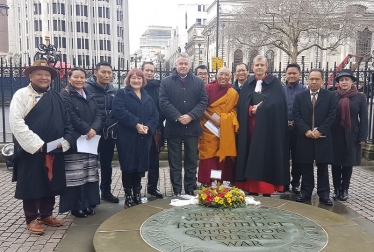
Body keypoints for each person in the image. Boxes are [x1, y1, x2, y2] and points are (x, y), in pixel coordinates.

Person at [9, 59, 73, 235]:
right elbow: (16, 123)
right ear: (30, 75)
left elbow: (67, 121)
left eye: (47, 75)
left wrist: (66, 140)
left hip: (54, 147)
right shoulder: (21, 95)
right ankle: (31, 219)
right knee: (32, 183)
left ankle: (46, 214)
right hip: (33, 149)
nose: (44, 77)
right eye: (39, 74)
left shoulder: (57, 97)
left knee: (51, 181)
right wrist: (35, 144)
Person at [235, 55, 289, 196]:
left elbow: (277, 105)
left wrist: (261, 109)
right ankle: (251, 186)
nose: (259, 67)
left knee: (265, 155)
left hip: (267, 129)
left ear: (266, 67)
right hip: (250, 128)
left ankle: (266, 189)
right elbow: (242, 104)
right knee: (249, 154)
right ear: (252, 67)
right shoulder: (248, 83)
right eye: (256, 65)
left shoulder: (275, 83)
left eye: (261, 65)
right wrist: (249, 109)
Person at [159, 53, 208, 196]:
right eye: (180, 63)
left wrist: (191, 116)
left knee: (191, 161)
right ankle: (176, 190)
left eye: (186, 64)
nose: (183, 66)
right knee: (174, 162)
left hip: (192, 128)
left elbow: (203, 101)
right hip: (174, 127)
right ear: (176, 65)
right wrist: (177, 116)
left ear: (190, 65)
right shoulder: (166, 82)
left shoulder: (198, 82)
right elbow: (163, 102)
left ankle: (190, 188)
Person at [112, 68, 159, 208]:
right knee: (128, 167)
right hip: (127, 137)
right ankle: (128, 197)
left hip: (144, 138)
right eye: (133, 78)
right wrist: (136, 124)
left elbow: (155, 115)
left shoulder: (147, 96)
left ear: (143, 80)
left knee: (139, 167)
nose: (136, 80)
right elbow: (119, 111)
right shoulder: (122, 93)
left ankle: (137, 194)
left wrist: (149, 127)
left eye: (139, 78)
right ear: (128, 79)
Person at [59, 67, 102, 218]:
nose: (79, 80)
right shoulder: (65, 95)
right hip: (76, 139)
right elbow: (70, 116)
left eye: (82, 77)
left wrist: (95, 129)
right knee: (76, 175)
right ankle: (76, 206)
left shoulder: (89, 94)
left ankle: (87, 203)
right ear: (69, 78)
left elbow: (98, 113)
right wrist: (87, 129)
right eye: (75, 77)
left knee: (89, 173)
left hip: (90, 140)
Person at [293, 69, 337, 206]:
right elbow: (296, 115)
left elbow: (332, 115)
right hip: (305, 137)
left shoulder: (330, 96)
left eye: (317, 79)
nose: (313, 81)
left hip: (322, 137)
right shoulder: (300, 96)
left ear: (322, 81)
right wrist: (305, 130)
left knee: (322, 167)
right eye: (311, 79)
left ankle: (324, 194)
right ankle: (305, 192)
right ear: (307, 80)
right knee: (305, 166)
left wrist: (320, 130)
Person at [198, 67, 239, 186]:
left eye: (226, 75)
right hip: (208, 128)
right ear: (216, 75)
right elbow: (201, 107)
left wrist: (225, 119)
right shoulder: (207, 88)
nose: (223, 77)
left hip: (223, 130)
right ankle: (206, 182)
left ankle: (217, 180)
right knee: (207, 156)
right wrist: (212, 120)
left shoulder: (233, 93)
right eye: (221, 74)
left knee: (219, 158)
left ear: (230, 77)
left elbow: (235, 110)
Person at [331, 69, 368, 201]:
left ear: (352, 81)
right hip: (336, 133)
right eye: (341, 80)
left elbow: (363, 118)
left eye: (346, 79)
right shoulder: (334, 96)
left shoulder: (360, 97)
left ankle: (345, 189)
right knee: (335, 163)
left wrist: (363, 136)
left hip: (352, 133)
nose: (344, 82)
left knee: (348, 163)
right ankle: (336, 189)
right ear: (338, 83)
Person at [85, 62, 119, 203]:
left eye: (109, 73)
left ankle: (106, 191)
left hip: (108, 133)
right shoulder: (87, 89)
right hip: (91, 133)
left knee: (106, 164)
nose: (107, 75)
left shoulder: (114, 89)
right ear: (95, 72)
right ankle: (90, 196)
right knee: (90, 165)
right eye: (103, 72)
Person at [282, 63, 307, 194]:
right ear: (286, 75)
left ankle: (295, 183)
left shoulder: (304, 91)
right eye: (289, 73)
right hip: (283, 129)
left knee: (297, 159)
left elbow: (306, 111)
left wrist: (296, 123)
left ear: (299, 75)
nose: (291, 76)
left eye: (294, 73)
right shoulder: (281, 90)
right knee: (284, 157)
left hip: (298, 130)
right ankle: (284, 183)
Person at [142, 62, 165, 198]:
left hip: (155, 128)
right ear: (142, 71)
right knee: (138, 160)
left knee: (154, 160)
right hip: (139, 129)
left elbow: (162, 106)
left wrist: (154, 123)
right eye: (147, 70)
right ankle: (136, 188)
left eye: (152, 71)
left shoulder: (158, 87)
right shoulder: (137, 85)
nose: (149, 73)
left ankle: (152, 187)